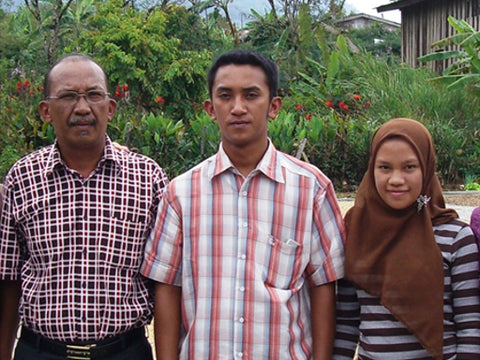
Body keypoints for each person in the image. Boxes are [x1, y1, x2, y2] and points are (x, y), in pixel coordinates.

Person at [141, 49, 346, 359]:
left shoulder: (311, 190)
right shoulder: (180, 194)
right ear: (210, 108)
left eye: (251, 95)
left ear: (274, 106)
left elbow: (323, 287)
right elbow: (168, 289)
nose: (238, 108)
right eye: (225, 96)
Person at [0, 53, 169, 360]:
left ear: (111, 107)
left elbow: (165, 283)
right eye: (67, 97)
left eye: (93, 95)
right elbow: (8, 280)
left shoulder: (149, 179)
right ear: (45, 111)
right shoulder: (22, 178)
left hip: (124, 351)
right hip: (40, 352)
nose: (82, 108)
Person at [333, 118, 480, 359]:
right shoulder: (356, 234)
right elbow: (347, 322)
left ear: (427, 168)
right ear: (371, 170)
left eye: (409, 167)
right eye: (384, 167)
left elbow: (470, 327)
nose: (396, 179)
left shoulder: (455, 238)